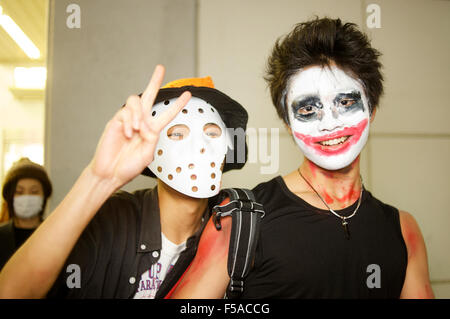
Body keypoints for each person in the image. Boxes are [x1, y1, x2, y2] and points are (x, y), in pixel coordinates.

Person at [167, 17, 434, 299]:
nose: (329, 124)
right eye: (308, 109)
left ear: (372, 109)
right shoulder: (241, 219)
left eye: (345, 103)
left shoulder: (403, 231)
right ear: (288, 124)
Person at [0, 65, 248, 298]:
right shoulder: (111, 221)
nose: (198, 147)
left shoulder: (234, 229)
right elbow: (12, 292)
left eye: (212, 133)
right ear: (153, 148)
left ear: (227, 149)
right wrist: (98, 180)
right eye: (177, 134)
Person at [0, 158, 53, 270]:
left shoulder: (55, 236)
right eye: (19, 192)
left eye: (34, 192)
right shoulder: (2, 236)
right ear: (10, 197)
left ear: (44, 196)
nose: (27, 197)